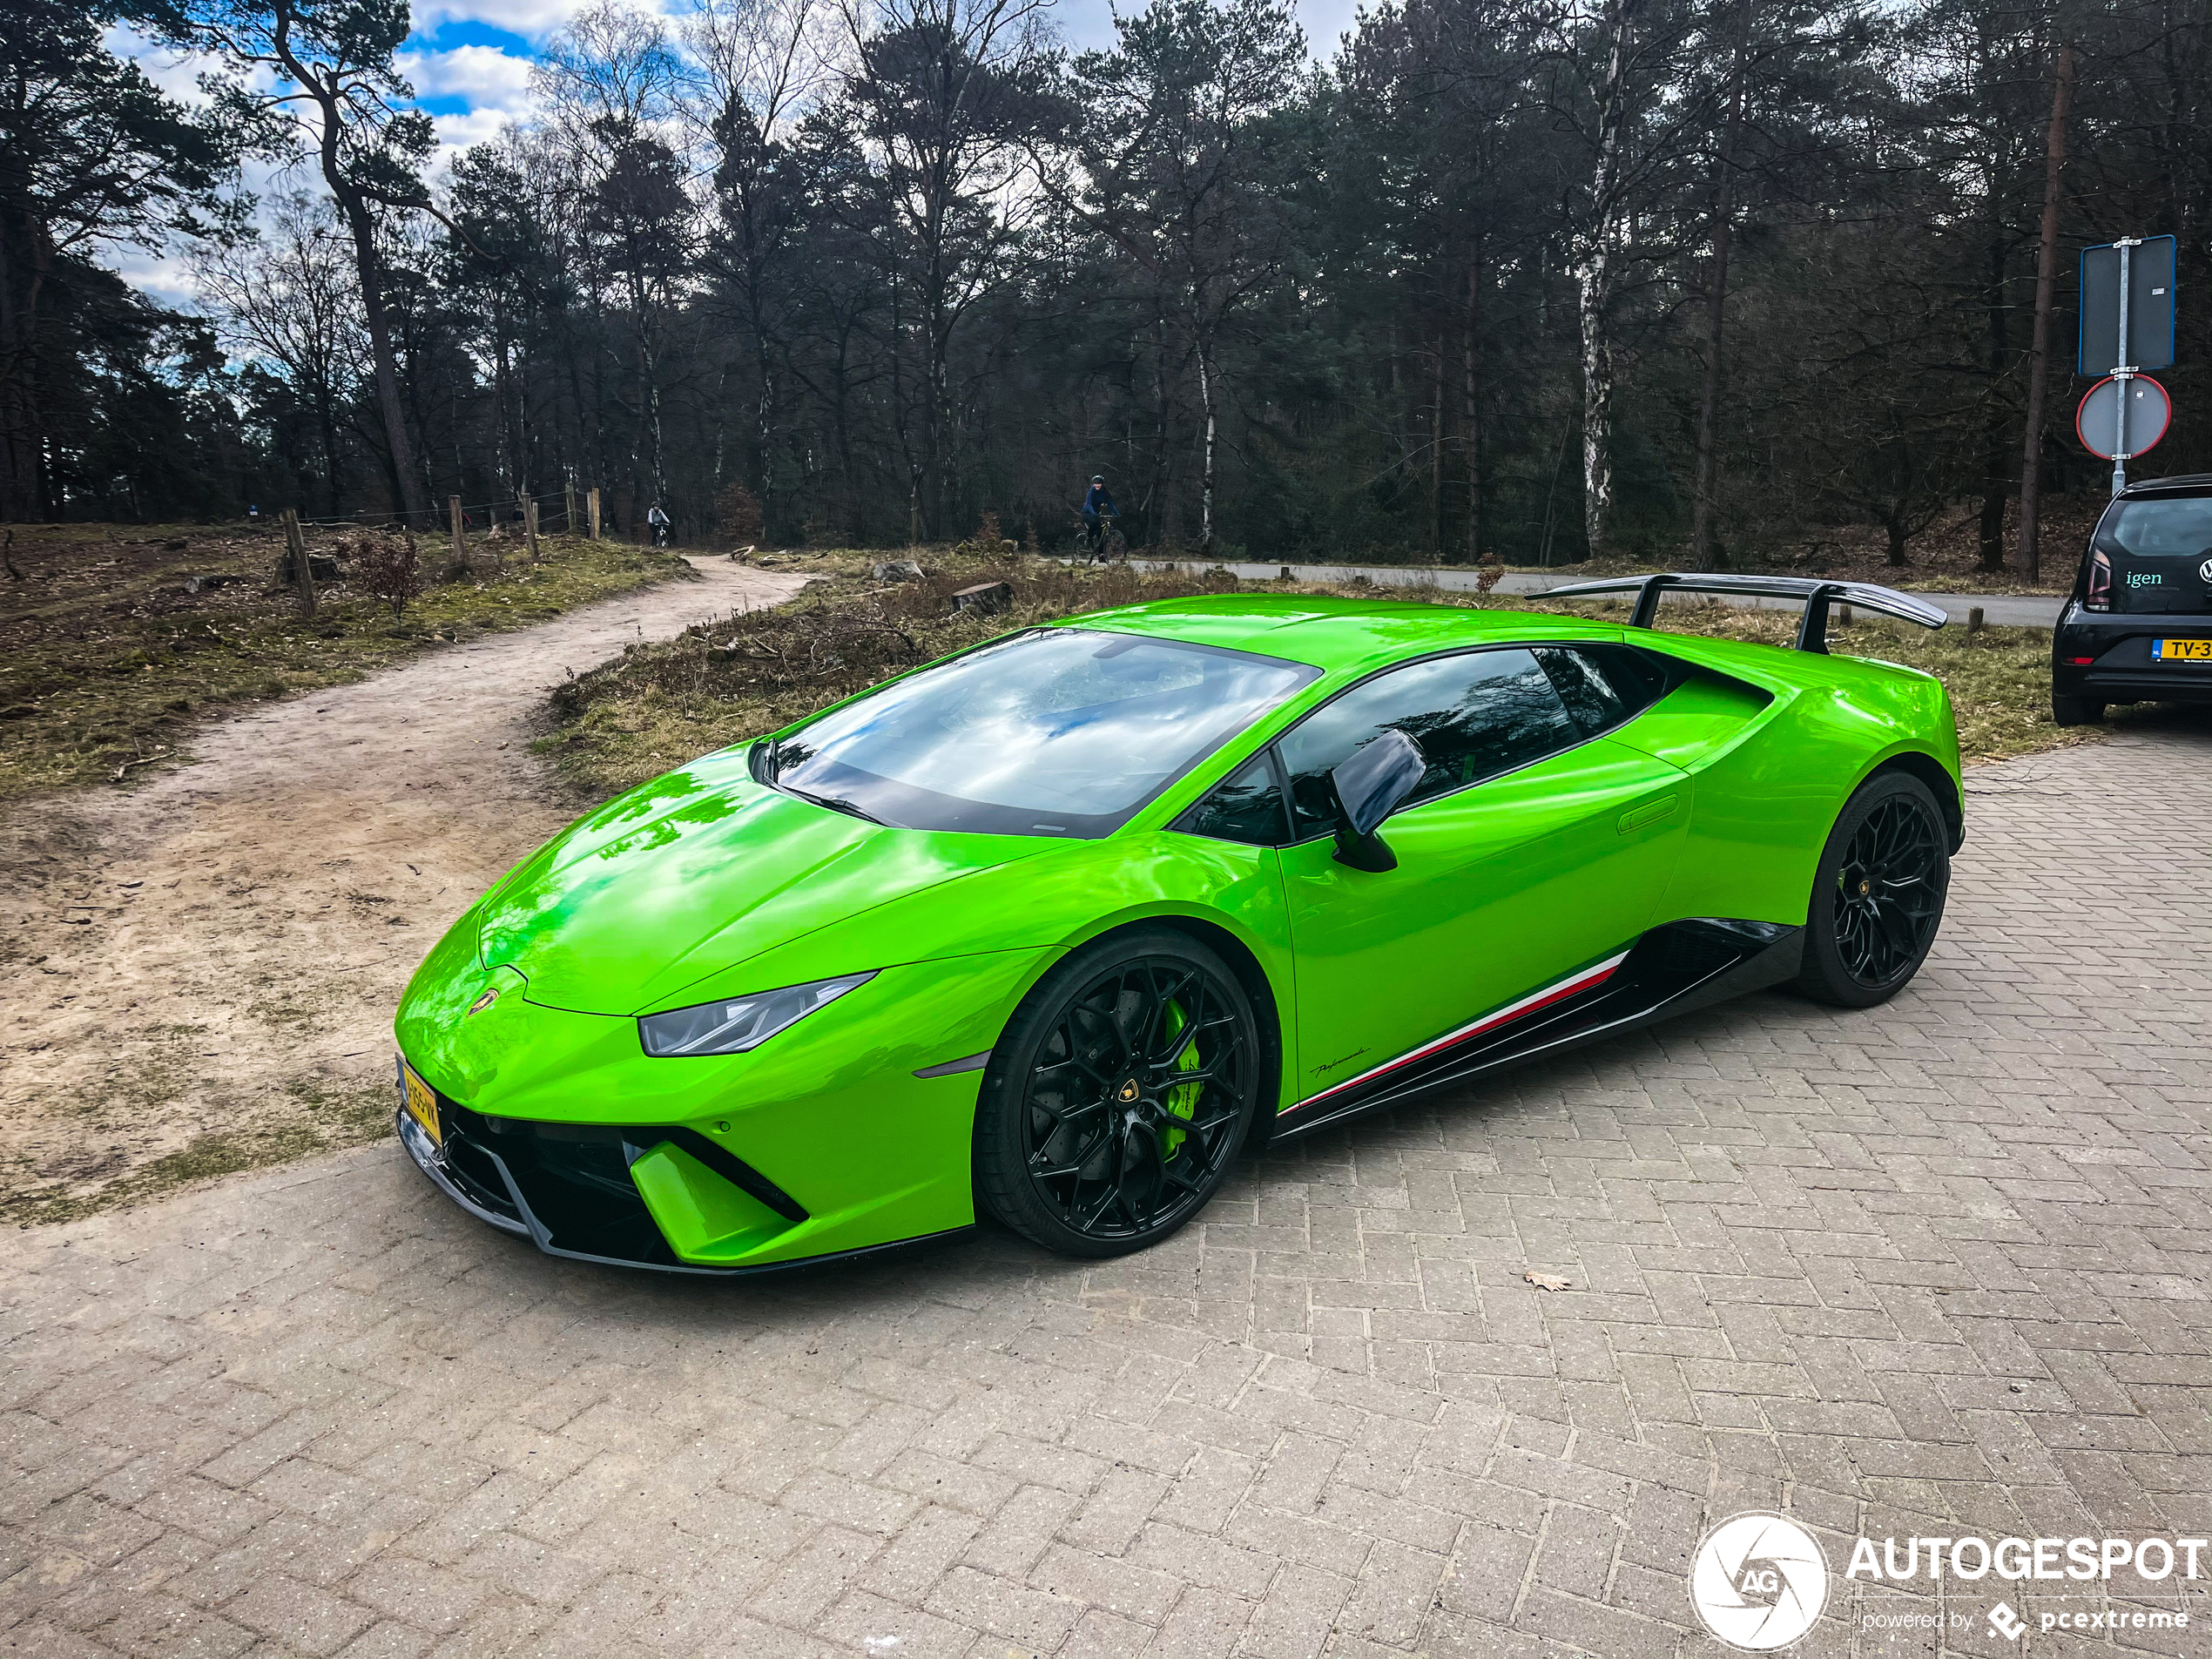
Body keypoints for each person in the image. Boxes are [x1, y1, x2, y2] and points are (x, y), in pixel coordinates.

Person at [1079, 476, 1117, 554]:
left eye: (1099, 484)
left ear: (1102, 484)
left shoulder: (1105, 492)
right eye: (1095, 484)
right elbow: (1089, 504)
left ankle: (1101, 555)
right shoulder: (1091, 492)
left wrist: (1116, 512)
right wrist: (1093, 513)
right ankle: (1089, 538)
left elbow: (1109, 502)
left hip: (1096, 512)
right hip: (1087, 512)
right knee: (1094, 522)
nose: (1097, 486)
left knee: (1100, 535)